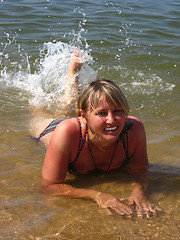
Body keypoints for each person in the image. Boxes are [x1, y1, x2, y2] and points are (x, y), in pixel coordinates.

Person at [30, 51, 161, 218]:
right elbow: (48, 186)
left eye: (118, 111)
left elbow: (141, 171)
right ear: (83, 117)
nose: (112, 120)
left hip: (84, 126)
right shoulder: (66, 132)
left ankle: (75, 78)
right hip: (51, 130)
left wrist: (138, 191)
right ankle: (71, 73)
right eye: (102, 113)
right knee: (40, 110)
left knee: (70, 106)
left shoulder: (133, 129)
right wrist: (96, 195)